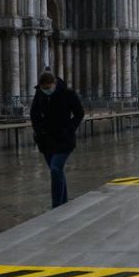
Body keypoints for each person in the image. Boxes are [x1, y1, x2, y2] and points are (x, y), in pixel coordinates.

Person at [30, 69, 84, 208]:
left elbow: (79, 113)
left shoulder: (68, 93)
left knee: (55, 169)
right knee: (57, 171)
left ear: (54, 84)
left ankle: (56, 206)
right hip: (46, 140)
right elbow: (34, 113)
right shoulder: (40, 93)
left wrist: (70, 128)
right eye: (43, 88)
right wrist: (39, 130)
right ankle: (64, 204)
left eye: (48, 88)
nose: (46, 91)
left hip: (64, 139)